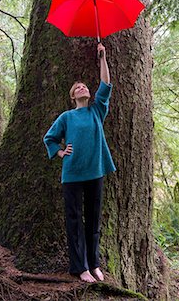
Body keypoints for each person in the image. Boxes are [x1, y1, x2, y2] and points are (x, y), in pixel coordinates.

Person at [43, 42, 116, 283]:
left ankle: (94, 264)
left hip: (95, 172)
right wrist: (60, 152)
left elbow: (105, 85)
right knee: (74, 221)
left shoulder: (97, 111)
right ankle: (80, 267)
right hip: (72, 174)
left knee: (93, 220)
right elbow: (50, 138)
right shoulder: (66, 117)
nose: (83, 88)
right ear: (73, 96)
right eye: (78, 87)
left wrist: (102, 58)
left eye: (85, 86)